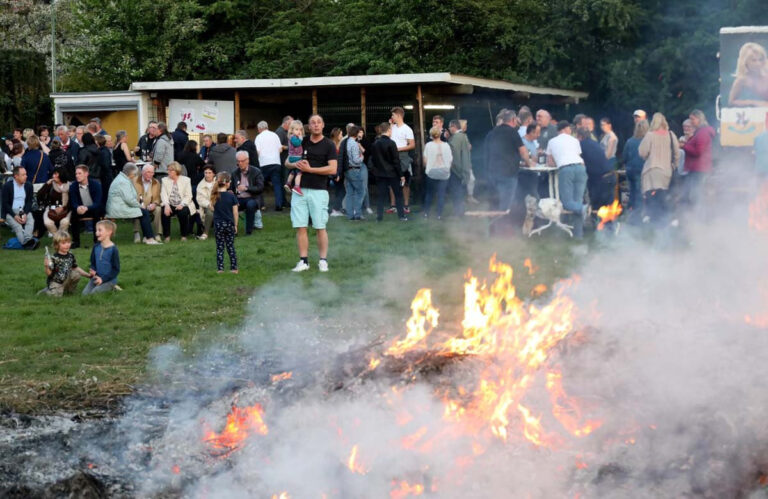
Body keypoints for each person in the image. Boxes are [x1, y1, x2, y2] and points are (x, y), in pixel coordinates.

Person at [285, 114, 337, 272]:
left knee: (320, 226)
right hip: (299, 190)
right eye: (312, 123)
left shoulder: (328, 144)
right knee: (300, 226)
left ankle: (323, 260)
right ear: (308, 126)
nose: (315, 125)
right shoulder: (302, 141)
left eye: (318, 122)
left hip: (318, 190)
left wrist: (310, 169)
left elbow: (333, 169)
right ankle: (303, 261)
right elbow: (287, 161)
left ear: (323, 125)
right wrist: (295, 163)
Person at [546, 121, 588, 239]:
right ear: (565, 129)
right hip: (580, 168)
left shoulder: (552, 141)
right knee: (577, 200)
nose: (571, 131)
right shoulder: (574, 140)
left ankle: (583, 208)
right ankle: (578, 235)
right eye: (570, 129)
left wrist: (556, 160)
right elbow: (577, 155)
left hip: (566, 170)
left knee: (566, 202)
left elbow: (550, 162)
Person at [638, 112, 680, 225]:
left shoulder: (650, 135)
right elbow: (677, 153)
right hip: (666, 172)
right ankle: (665, 220)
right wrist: (674, 165)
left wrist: (649, 156)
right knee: (664, 197)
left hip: (651, 171)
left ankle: (653, 219)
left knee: (651, 197)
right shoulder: (671, 135)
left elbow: (642, 152)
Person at [486, 109, 532, 211]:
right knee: (506, 203)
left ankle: (493, 224)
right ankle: (503, 223)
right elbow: (523, 152)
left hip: (492, 173)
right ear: (513, 119)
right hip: (508, 173)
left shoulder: (493, 132)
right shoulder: (513, 132)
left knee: (494, 201)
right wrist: (529, 163)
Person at [106, 163, 161, 245]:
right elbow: (129, 200)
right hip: (119, 208)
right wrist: (140, 206)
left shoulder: (122, 178)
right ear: (131, 173)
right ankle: (149, 238)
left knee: (143, 212)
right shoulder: (123, 181)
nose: (135, 176)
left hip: (119, 206)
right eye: (134, 174)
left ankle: (147, 237)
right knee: (144, 212)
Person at [370, 122, 406, 221]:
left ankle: (379, 217)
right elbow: (396, 161)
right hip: (392, 174)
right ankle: (401, 216)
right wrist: (401, 175)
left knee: (381, 196)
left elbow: (373, 160)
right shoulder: (392, 143)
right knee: (398, 195)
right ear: (389, 130)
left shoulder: (375, 144)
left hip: (380, 174)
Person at [680, 109, 716, 207]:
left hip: (699, 169)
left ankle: (698, 218)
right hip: (698, 168)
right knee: (695, 194)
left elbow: (698, 151)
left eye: (693, 119)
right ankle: (696, 217)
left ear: (699, 119)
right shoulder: (700, 131)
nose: (691, 122)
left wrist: (684, 146)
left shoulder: (703, 132)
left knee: (696, 195)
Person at [39, 230, 91, 296]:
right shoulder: (54, 258)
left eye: (68, 242)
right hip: (56, 282)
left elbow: (75, 268)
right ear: (57, 245)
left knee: (76, 275)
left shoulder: (70, 255)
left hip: (66, 279)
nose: (67, 245)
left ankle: (69, 291)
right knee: (55, 296)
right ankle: (48, 290)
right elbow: (49, 274)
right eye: (63, 243)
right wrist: (46, 266)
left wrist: (88, 275)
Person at [578, 128, 616, 213]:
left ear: (580, 137)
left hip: (599, 180)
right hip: (610, 176)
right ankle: (611, 225)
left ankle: (597, 225)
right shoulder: (595, 143)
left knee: (597, 208)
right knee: (609, 208)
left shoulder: (581, 145)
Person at [422, 126, 454, 219]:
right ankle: (439, 215)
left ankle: (426, 214)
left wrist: (427, 168)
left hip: (431, 172)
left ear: (431, 135)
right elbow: (450, 160)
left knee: (429, 194)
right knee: (441, 194)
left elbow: (425, 161)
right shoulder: (446, 145)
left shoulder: (428, 145)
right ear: (440, 134)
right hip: (444, 172)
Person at [2, 166, 37, 248]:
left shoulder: (28, 186)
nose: (26, 176)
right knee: (17, 227)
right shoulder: (7, 186)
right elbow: (5, 204)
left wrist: (25, 213)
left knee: (30, 219)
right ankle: (25, 243)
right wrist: (14, 216)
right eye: (23, 175)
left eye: (26, 174)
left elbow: (29, 202)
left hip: (23, 210)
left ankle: (28, 239)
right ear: (16, 176)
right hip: (10, 211)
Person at [211, 172, 239, 273]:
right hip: (229, 224)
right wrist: (235, 225)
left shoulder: (214, 196)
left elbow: (211, 208)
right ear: (227, 183)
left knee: (220, 247)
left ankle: (220, 269)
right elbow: (235, 212)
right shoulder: (231, 196)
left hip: (218, 224)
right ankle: (234, 268)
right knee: (230, 246)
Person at [69, 164, 103, 249]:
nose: (77, 176)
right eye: (76, 174)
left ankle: (97, 240)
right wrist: (77, 208)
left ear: (86, 174)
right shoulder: (73, 186)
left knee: (97, 213)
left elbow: (98, 202)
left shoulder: (96, 184)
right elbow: (73, 201)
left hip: (93, 208)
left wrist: (87, 208)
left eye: (79, 173)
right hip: (80, 209)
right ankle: (76, 242)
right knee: (73, 215)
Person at [231, 151, 265, 234]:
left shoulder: (256, 171)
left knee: (250, 205)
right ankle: (232, 230)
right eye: (238, 161)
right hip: (238, 198)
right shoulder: (234, 173)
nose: (240, 163)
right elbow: (231, 187)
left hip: (253, 197)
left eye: (242, 161)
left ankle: (249, 231)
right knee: (229, 204)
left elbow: (260, 188)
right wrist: (230, 191)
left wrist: (246, 188)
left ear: (247, 160)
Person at [82, 220, 120, 295]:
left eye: (99, 230)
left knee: (94, 294)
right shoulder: (96, 247)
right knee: (85, 294)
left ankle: (113, 286)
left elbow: (116, 270)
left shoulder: (113, 249)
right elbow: (93, 263)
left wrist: (103, 279)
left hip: (109, 280)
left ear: (109, 232)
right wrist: (93, 269)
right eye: (96, 230)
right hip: (96, 278)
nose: (96, 233)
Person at [254, 121, 285, 211]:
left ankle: (261, 205)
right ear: (267, 127)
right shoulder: (275, 135)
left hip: (264, 163)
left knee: (260, 184)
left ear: (259, 129)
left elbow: (257, 151)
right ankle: (279, 205)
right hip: (276, 162)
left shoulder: (258, 137)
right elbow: (280, 150)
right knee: (277, 185)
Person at [160, 161, 195, 241]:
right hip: (170, 203)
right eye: (168, 170)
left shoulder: (186, 180)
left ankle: (184, 235)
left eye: (170, 170)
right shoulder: (164, 180)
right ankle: (167, 236)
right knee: (164, 212)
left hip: (183, 203)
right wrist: (166, 205)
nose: (168, 172)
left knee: (183, 212)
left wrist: (182, 204)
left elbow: (188, 195)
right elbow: (163, 194)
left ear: (176, 171)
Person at [389, 107, 415, 213]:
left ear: (399, 116)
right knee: (391, 181)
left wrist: (399, 148)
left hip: (403, 157)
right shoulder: (391, 128)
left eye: (393, 115)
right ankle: (393, 206)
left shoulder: (407, 129)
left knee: (405, 183)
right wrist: (390, 124)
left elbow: (412, 145)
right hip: (392, 156)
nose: (392, 117)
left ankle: (406, 205)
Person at [622, 119, 649, 217]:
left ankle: (630, 213)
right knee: (639, 194)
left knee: (632, 193)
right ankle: (638, 217)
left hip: (630, 170)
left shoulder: (629, 141)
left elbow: (624, 157)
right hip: (641, 171)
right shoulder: (647, 142)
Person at [729, 42, 768, 107]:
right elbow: (731, 102)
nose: (758, 63)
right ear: (745, 61)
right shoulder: (742, 80)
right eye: (754, 60)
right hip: (755, 114)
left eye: (760, 59)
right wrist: (753, 102)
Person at [134, 163, 163, 242]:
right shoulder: (135, 180)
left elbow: (158, 197)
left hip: (151, 204)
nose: (150, 174)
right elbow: (133, 196)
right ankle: (137, 233)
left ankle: (157, 233)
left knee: (158, 209)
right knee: (138, 210)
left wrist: (154, 204)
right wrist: (140, 204)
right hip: (138, 204)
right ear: (143, 172)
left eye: (152, 172)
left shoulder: (156, 182)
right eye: (148, 172)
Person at [344, 125, 366, 220]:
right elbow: (356, 159)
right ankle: (357, 214)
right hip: (354, 169)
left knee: (349, 193)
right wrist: (362, 157)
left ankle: (350, 215)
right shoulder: (354, 144)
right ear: (356, 133)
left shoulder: (347, 142)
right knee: (361, 191)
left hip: (347, 170)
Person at [41, 167, 71, 235]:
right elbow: (40, 196)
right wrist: (46, 185)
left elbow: (72, 201)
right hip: (51, 209)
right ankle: (56, 236)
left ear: (61, 175)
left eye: (55, 174)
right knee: (47, 222)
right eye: (53, 174)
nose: (53, 176)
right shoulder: (51, 184)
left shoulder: (70, 186)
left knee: (65, 222)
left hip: (66, 209)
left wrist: (63, 207)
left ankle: (61, 236)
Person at [284, 120, 304, 196]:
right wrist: (300, 138)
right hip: (296, 157)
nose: (299, 131)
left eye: (300, 130)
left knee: (293, 171)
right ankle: (296, 186)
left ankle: (288, 183)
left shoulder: (293, 137)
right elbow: (297, 144)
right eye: (297, 129)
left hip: (292, 157)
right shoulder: (293, 137)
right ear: (291, 130)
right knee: (299, 172)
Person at [196, 165, 216, 239]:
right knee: (210, 212)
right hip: (206, 206)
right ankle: (205, 233)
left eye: (209, 173)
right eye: (206, 173)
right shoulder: (200, 185)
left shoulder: (218, 182)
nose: (207, 175)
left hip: (218, 204)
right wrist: (209, 204)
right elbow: (200, 199)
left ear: (214, 174)